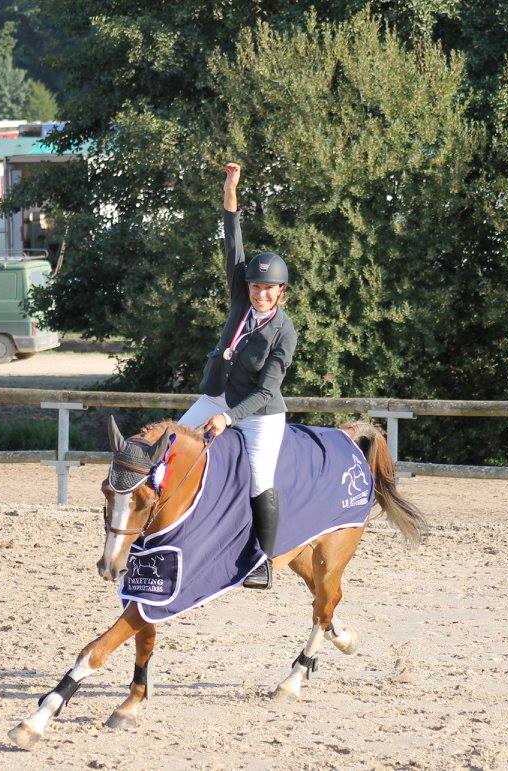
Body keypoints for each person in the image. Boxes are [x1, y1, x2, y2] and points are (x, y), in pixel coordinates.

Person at [179, 162, 298, 590]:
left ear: (281, 292)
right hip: (217, 396)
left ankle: (263, 560)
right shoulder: (239, 297)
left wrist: (229, 419)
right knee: (173, 444)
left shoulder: (284, 332)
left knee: (258, 477)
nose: (260, 294)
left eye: (268, 289)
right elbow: (233, 239)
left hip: (260, 412)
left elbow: (267, 391)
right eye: (254, 287)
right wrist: (230, 191)